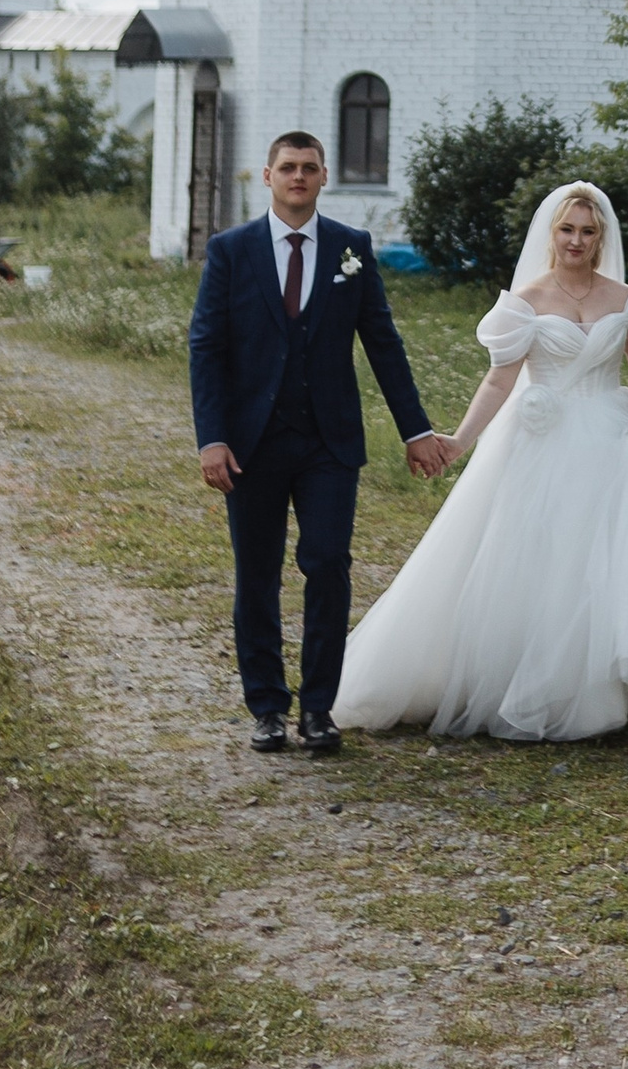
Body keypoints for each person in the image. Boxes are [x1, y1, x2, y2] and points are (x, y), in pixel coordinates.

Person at [333, 179, 628, 742]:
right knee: (537, 559)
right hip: (539, 440)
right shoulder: (525, 301)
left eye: (587, 231)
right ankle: (528, 682)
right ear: (551, 233)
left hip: (609, 435)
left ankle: (604, 682)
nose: (576, 240)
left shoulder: (624, 300)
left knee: (611, 559)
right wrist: (460, 439)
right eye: (567, 229)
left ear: (601, 238)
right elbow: (499, 380)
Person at [188, 128, 453, 756]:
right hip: (251, 442)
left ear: (324, 176)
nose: (298, 177)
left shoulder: (350, 249)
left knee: (329, 564)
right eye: (287, 168)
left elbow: (382, 343)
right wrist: (212, 438)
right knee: (257, 574)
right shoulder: (230, 251)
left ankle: (318, 709)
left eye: (309, 167)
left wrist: (414, 430)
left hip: (329, 442)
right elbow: (207, 348)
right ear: (268, 176)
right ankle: (267, 709)